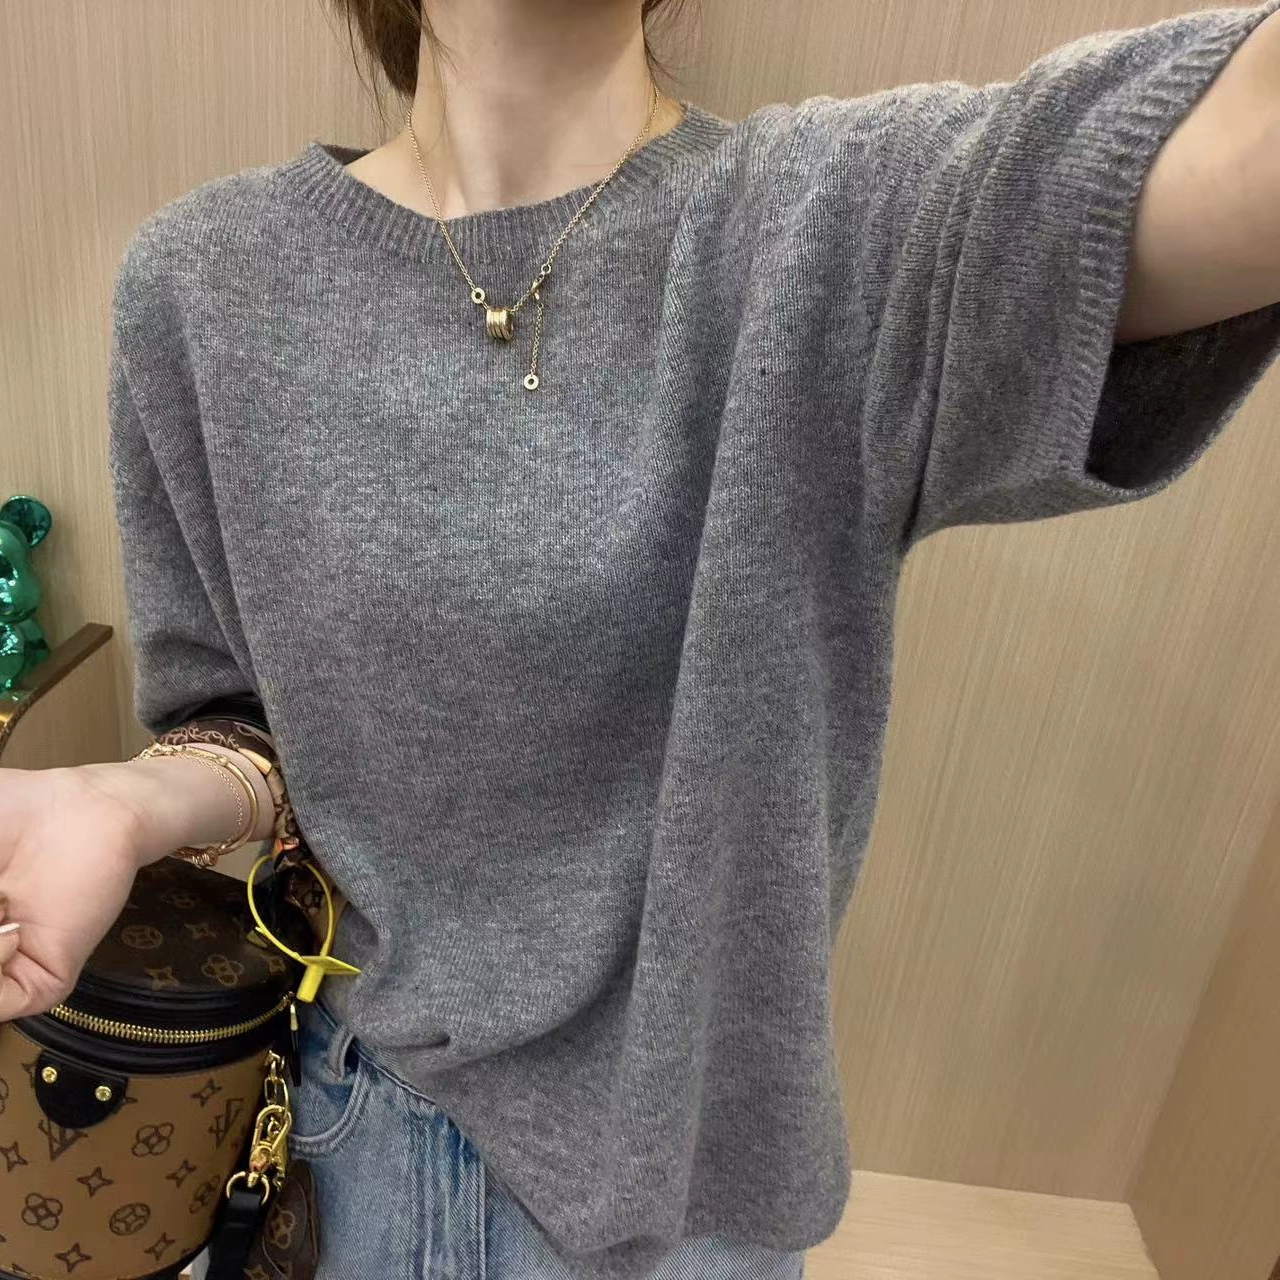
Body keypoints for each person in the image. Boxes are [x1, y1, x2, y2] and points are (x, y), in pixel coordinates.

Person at [3, 0, 1280, 1275]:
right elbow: (242, 721)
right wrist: (130, 800)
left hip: (688, 1200)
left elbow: (1231, 148)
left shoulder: (833, 227)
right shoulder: (204, 283)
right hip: (340, 1141)